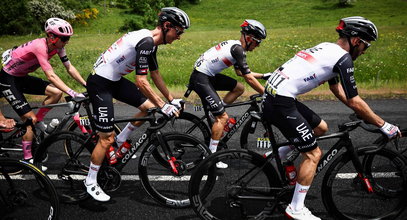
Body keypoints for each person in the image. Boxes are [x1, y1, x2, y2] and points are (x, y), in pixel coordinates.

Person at [261, 16, 401, 220]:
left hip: (275, 95)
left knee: (320, 128)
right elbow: (354, 100)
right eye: (365, 45)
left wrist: (364, 113)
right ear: (355, 41)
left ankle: (281, 154)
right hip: (281, 101)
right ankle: (296, 209)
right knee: (313, 154)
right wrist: (383, 124)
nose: (364, 51)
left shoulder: (327, 48)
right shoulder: (343, 59)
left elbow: (336, 89)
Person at [85, 7, 190, 202]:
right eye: (179, 31)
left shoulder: (151, 42)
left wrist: (170, 99)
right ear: (167, 26)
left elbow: (155, 74)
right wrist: (163, 105)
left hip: (115, 80)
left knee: (149, 109)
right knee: (105, 138)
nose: (179, 37)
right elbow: (141, 81)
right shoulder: (147, 41)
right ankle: (90, 181)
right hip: (100, 84)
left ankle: (121, 138)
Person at [0, 18, 86, 164]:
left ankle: (38, 122)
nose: (67, 42)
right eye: (64, 38)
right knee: (29, 121)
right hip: (8, 79)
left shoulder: (58, 47)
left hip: (21, 77)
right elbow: (51, 75)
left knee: (56, 93)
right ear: (52, 37)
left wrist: (86, 84)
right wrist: (72, 92)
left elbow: (69, 68)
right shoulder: (39, 46)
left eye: (68, 38)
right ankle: (29, 161)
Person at [188, 19, 270, 168]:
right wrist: (266, 93)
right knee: (223, 117)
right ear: (250, 38)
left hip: (206, 75)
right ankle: (211, 157)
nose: (257, 46)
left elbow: (240, 73)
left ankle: (216, 113)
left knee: (239, 88)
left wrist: (263, 75)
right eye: (258, 42)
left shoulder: (235, 46)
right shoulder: (238, 49)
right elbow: (248, 78)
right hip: (201, 78)